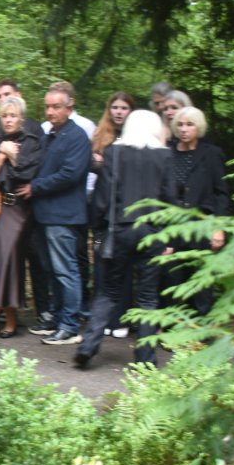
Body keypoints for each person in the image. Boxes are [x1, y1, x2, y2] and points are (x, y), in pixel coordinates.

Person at [75, 110, 176, 368]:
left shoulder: (114, 153)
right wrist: (169, 236)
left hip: (119, 230)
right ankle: (145, 358)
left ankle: (88, 346)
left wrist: (97, 229)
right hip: (152, 232)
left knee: (109, 291)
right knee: (147, 297)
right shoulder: (165, 156)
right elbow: (170, 198)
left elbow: (102, 196)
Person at [17, 83, 91, 345]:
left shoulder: (77, 137)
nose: (50, 112)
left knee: (65, 271)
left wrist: (35, 187)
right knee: (52, 272)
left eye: (56, 107)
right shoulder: (50, 136)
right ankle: (58, 319)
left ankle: (70, 326)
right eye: (47, 107)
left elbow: (70, 174)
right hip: (45, 215)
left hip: (63, 216)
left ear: (69, 107)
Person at [0, 97, 41, 340]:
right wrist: (3, 155)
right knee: (1, 261)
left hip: (20, 211)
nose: (8, 120)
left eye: (13, 116)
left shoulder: (31, 142)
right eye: (4, 116)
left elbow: (28, 172)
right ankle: (11, 319)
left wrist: (12, 161)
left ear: (21, 118)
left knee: (5, 258)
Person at [164, 106, 229, 317]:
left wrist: (219, 228)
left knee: (201, 282)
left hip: (202, 225)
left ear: (199, 127)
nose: (184, 129)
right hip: (173, 227)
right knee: (172, 279)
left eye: (189, 125)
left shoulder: (211, 154)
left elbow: (221, 194)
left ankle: (202, 325)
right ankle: (173, 325)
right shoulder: (168, 154)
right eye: (180, 125)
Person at [91, 91, 136, 338]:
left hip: (126, 214)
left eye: (124, 108)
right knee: (101, 266)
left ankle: (120, 318)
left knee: (124, 267)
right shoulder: (101, 135)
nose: (118, 112)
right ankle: (103, 319)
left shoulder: (137, 138)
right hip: (102, 213)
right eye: (115, 107)